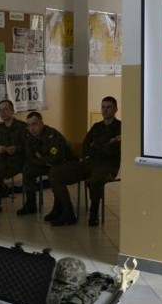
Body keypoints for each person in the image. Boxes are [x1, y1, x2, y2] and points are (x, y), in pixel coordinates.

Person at [51, 96, 122, 226]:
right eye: (103, 107)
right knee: (56, 173)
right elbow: (85, 146)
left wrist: (96, 146)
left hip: (108, 166)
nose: (105, 110)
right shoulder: (96, 127)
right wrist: (104, 145)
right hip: (90, 163)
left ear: (115, 109)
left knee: (94, 180)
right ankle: (68, 213)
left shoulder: (120, 128)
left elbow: (112, 151)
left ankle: (94, 213)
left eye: (109, 107)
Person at [18, 111, 75, 222]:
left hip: (67, 164)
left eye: (34, 124)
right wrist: (43, 160)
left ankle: (61, 209)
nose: (31, 128)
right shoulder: (29, 136)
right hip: (49, 164)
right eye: (28, 125)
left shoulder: (52, 136)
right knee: (27, 169)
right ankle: (30, 204)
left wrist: (40, 159)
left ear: (41, 124)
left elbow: (56, 160)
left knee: (54, 172)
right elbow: (30, 159)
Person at [0, 99, 27, 215]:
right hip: (3, 161)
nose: (3, 113)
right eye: (0, 110)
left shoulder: (22, 126)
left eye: (5, 110)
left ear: (12, 110)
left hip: (19, 160)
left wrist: (16, 149)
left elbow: (28, 146)